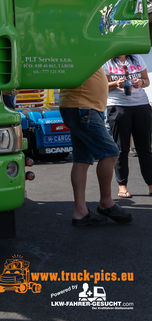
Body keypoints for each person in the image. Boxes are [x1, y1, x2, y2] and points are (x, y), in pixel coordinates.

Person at [59, 67, 132, 225]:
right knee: (110, 152)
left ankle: (80, 212)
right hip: (82, 107)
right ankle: (106, 202)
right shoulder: (81, 45)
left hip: (84, 106)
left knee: (82, 158)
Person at [103, 54, 152, 198]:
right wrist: (115, 84)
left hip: (141, 105)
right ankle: (122, 185)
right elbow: (101, 85)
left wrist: (140, 82)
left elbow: (147, 80)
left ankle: (150, 184)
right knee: (121, 148)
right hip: (117, 106)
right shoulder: (106, 61)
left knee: (145, 148)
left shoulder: (137, 58)